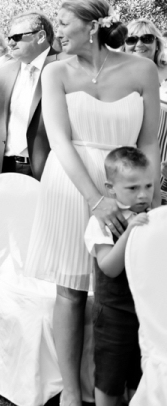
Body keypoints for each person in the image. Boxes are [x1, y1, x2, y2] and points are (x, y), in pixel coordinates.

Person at [24, 0, 160, 406]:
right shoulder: (55, 72)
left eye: (64, 23)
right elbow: (59, 140)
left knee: (118, 292)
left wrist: (147, 196)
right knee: (70, 291)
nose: (58, 31)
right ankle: (70, 391)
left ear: (93, 27)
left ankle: (119, 390)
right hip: (70, 184)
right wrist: (95, 199)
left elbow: (149, 143)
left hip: (127, 188)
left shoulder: (142, 70)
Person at [84, 147, 152, 406]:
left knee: (141, 375)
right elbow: (109, 267)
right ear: (111, 188)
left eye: (148, 185)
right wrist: (130, 232)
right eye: (133, 188)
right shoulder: (100, 223)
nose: (143, 194)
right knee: (109, 377)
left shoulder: (152, 218)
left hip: (144, 313)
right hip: (113, 313)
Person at [0, 12, 57, 181]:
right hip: (3, 170)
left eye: (17, 37)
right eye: (9, 38)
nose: (10, 43)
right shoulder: (3, 72)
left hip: (48, 172)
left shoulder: (65, 66)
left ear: (41, 36)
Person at [121, 19, 167, 198]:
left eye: (147, 38)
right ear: (124, 45)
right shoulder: (114, 76)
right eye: (131, 39)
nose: (139, 44)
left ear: (157, 44)